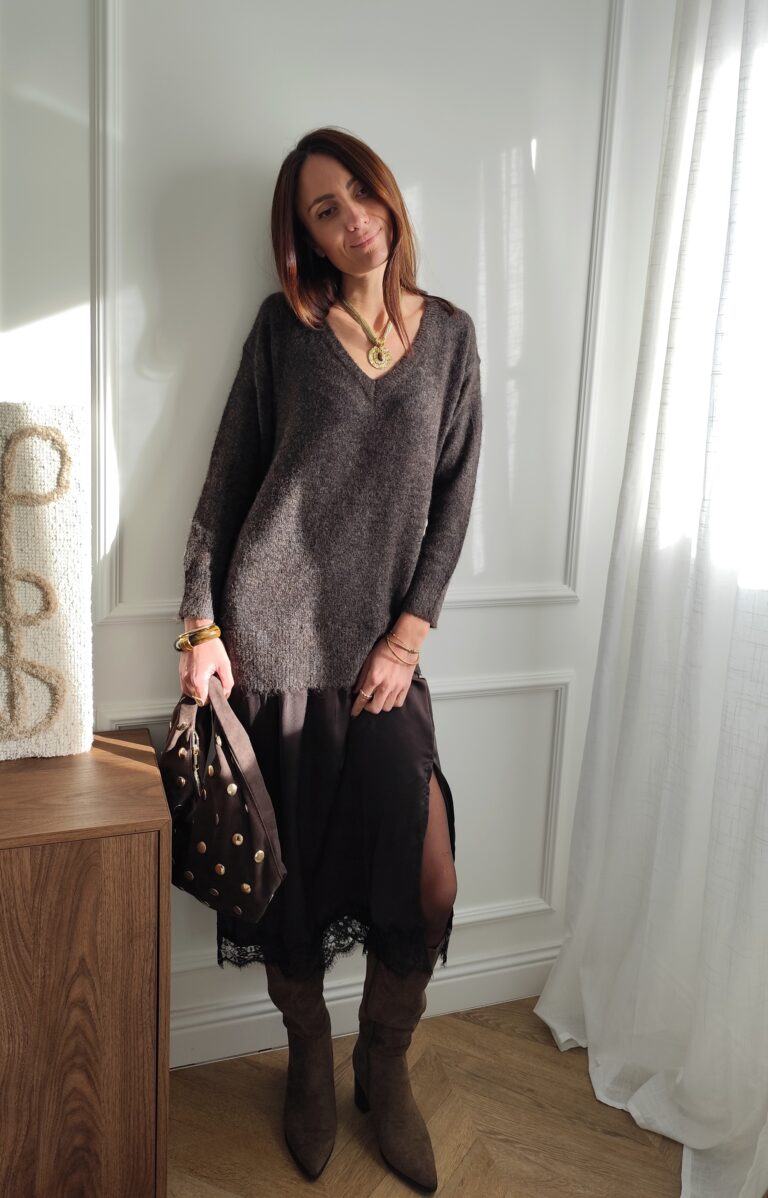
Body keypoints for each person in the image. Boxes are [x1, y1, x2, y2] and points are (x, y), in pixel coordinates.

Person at [175, 126, 483, 1192]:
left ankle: (382, 1066)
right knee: (289, 891)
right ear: (302, 236)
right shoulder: (286, 330)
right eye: (323, 209)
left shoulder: (451, 337)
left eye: (359, 191)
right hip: (271, 653)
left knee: (426, 880)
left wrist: (408, 636)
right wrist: (200, 626)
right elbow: (227, 482)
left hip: (381, 663)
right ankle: (310, 1057)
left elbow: (454, 499)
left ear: (386, 195)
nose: (352, 218)